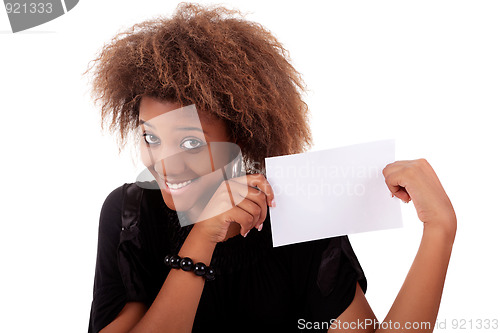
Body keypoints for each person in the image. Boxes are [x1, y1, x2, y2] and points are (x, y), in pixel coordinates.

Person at [86, 3, 457, 332]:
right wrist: (201, 237)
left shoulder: (298, 215)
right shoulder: (130, 214)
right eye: (150, 138)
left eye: (190, 143)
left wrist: (439, 230)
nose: (164, 165)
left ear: (242, 137)